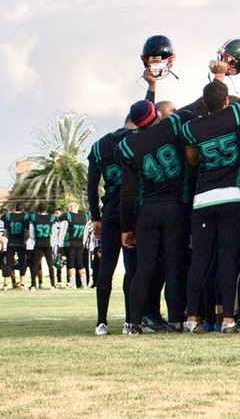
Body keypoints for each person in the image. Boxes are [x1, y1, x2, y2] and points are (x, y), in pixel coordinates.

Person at [181, 80, 240, 334]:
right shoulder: (236, 114)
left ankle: (191, 319)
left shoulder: (191, 127)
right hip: (231, 197)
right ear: (226, 101)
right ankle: (227, 319)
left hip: (203, 198)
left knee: (200, 260)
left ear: (204, 104)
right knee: (228, 260)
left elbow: (192, 160)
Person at [118, 98, 193, 334]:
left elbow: (127, 191)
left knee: (144, 268)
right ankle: (174, 321)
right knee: (174, 267)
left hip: (147, 211)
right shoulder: (172, 124)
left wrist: (126, 226)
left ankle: (133, 323)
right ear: (158, 114)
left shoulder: (129, 144)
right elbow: (196, 106)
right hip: (175, 207)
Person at [88, 115, 139, 335]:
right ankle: (130, 321)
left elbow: (92, 186)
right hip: (131, 210)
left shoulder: (99, 146)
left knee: (106, 269)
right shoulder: (135, 138)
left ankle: (102, 322)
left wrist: (95, 217)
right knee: (132, 269)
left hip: (108, 212)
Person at [28, 202, 57, 290]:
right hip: (47, 243)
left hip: (38, 243)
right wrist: (52, 241)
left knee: (35, 265)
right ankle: (53, 285)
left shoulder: (34, 218)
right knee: (50, 264)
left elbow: (31, 233)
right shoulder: (52, 217)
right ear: (46, 209)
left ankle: (33, 285)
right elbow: (54, 231)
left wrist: (34, 240)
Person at [2, 203, 29, 289]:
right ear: (23, 209)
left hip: (11, 242)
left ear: (15, 208)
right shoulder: (25, 216)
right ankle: (22, 283)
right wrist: (27, 239)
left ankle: (5, 284)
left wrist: (8, 238)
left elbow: (5, 231)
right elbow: (27, 230)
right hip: (21, 242)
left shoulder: (8, 215)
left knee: (9, 264)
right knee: (22, 263)